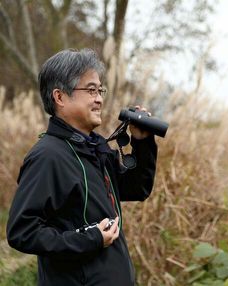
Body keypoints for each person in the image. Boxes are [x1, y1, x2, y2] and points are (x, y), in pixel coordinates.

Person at [6, 48, 157, 286]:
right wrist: (89, 239)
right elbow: (22, 232)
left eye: (100, 90)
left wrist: (142, 142)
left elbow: (136, 189)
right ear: (60, 97)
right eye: (90, 90)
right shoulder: (48, 156)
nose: (99, 98)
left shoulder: (95, 148)